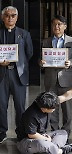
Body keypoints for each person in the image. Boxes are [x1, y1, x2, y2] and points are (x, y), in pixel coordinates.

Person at [16, 77, 72, 154]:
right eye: (53, 108)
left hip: (42, 136)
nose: (54, 109)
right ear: (44, 108)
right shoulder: (31, 114)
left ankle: (51, 149)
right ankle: (60, 151)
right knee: (42, 144)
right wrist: (46, 139)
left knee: (63, 133)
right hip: (26, 141)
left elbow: (66, 96)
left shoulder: (49, 101)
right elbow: (31, 134)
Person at [40, 15, 72, 136]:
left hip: (66, 79)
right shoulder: (46, 41)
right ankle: (55, 131)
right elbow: (40, 58)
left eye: (59, 24)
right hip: (50, 79)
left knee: (66, 108)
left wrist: (71, 62)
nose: (56, 27)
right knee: (52, 107)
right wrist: (41, 63)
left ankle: (66, 132)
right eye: (54, 24)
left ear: (65, 26)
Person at [0, 6, 33, 143]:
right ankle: (2, 132)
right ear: (3, 18)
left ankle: (21, 131)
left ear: (17, 17)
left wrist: (19, 62)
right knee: (1, 105)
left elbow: (29, 53)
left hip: (18, 74)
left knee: (20, 106)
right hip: (2, 74)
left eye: (13, 15)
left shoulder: (24, 34)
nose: (10, 18)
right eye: (7, 15)